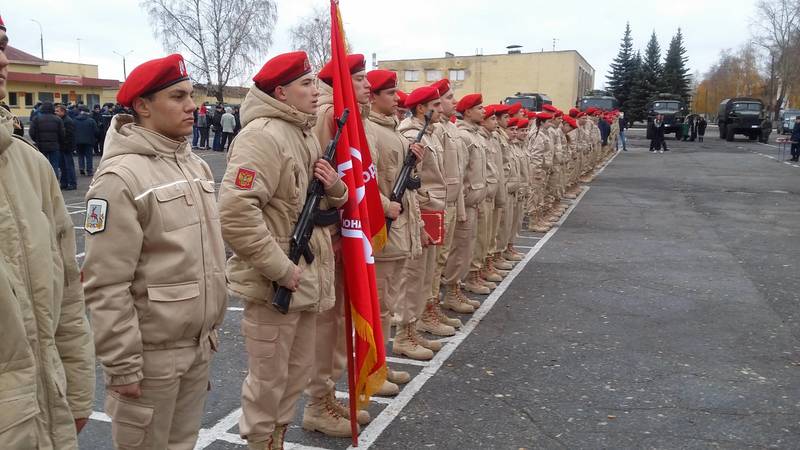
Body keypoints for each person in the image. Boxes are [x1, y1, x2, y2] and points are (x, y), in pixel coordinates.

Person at [82, 53, 228, 450]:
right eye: (178, 96)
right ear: (143, 106)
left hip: (198, 347)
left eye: (191, 95)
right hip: (151, 360)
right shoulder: (120, 178)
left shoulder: (194, 165)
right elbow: (106, 283)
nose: (192, 105)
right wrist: (123, 364)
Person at [217, 51, 347, 450]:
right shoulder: (262, 136)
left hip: (304, 279)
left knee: (296, 372)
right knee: (268, 379)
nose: (315, 90)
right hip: (277, 281)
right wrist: (280, 269)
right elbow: (236, 212)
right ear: (280, 92)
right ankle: (260, 442)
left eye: (314, 82)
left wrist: (335, 187)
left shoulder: (303, 131)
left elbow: (321, 207)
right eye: (306, 84)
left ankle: (277, 437)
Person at [0, 15, 96, 449]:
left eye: (2, 44)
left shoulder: (27, 165)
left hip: (44, 418)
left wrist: (76, 393)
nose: (2, 59)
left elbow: (69, 299)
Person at [364, 69, 427, 393]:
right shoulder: (370, 131)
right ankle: (371, 371)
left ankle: (381, 366)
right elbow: (363, 180)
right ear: (373, 96)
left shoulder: (393, 131)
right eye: (390, 93)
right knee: (378, 305)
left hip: (400, 231)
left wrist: (414, 159)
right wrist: (381, 204)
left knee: (387, 304)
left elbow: (407, 182)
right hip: (383, 233)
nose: (397, 99)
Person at [29, 100, 65, 174]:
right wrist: (58, 142)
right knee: (54, 165)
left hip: (41, 145)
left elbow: (32, 132)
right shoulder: (58, 119)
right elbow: (62, 134)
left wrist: (36, 140)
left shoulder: (36, 119)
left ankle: (43, 181)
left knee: (42, 165)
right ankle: (54, 181)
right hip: (54, 145)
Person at [55, 103, 78, 189]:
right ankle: (64, 183)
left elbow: (69, 136)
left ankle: (72, 183)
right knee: (63, 167)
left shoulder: (68, 121)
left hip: (66, 148)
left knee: (69, 166)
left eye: (57, 111)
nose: (55, 112)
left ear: (63, 112)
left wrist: (66, 146)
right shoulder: (61, 120)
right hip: (61, 147)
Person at [74, 105, 99, 176]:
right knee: (89, 156)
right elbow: (96, 131)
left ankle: (81, 168)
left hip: (78, 141)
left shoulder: (75, 120)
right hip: (89, 141)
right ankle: (89, 171)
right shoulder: (91, 120)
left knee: (80, 155)